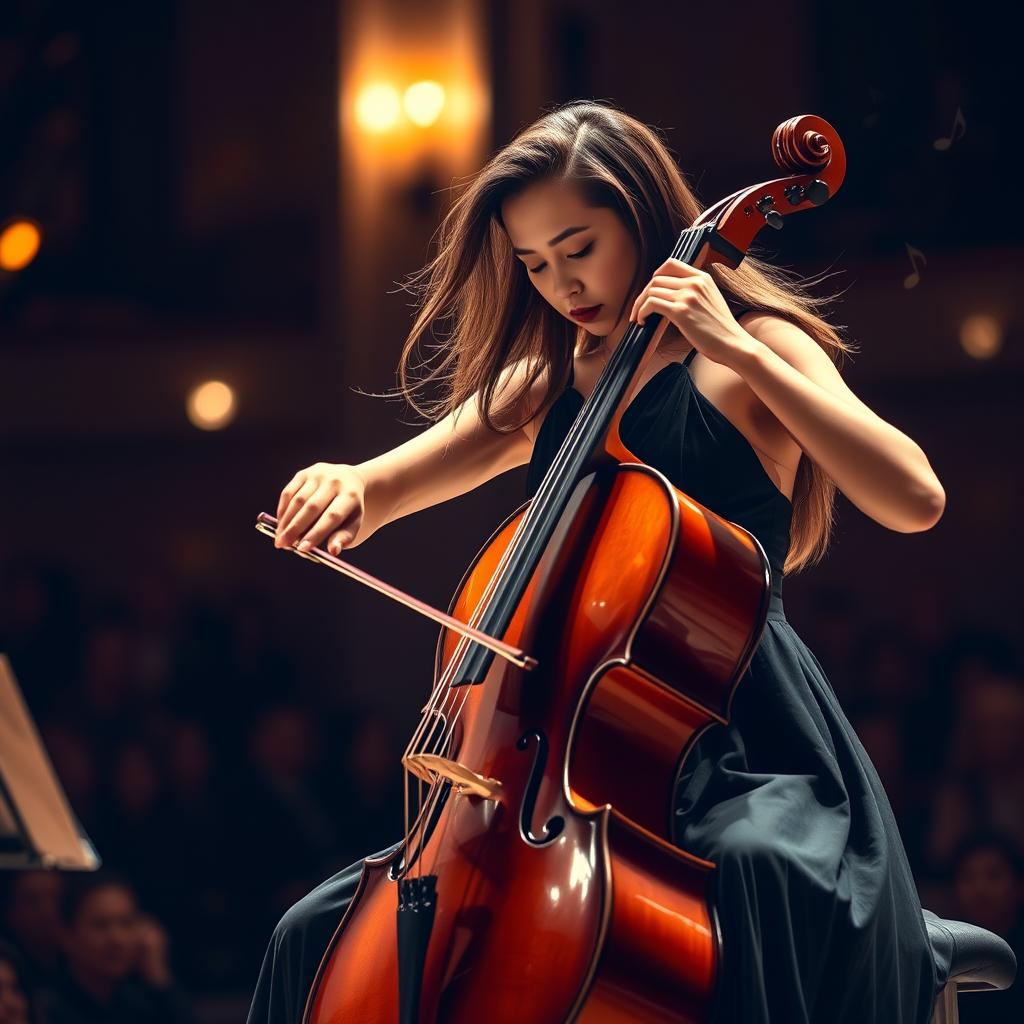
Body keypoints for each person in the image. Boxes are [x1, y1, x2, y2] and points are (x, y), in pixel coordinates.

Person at [249, 100, 948, 1023]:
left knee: (757, 871)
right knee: (312, 931)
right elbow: (383, 486)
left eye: (578, 248)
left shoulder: (754, 356)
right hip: (574, 761)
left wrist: (734, 343)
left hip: (743, 740)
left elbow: (914, 498)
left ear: (644, 217)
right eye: (534, 264)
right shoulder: (549, 383)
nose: (560, 284)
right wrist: (343, 485)